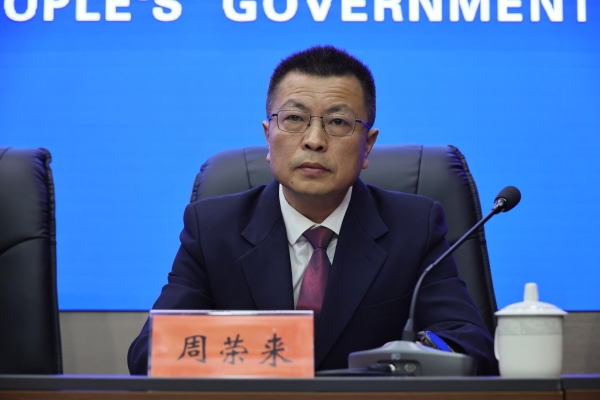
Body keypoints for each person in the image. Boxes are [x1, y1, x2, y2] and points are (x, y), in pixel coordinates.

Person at [128, 45, 498, 375]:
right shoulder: (212, 229)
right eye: (294, 119)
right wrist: (259, 353)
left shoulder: (414, 228)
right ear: (268, 137)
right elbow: (150, 353)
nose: (314, 140)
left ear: (367, 146)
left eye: (338, 122)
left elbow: (470, 344)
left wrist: (413, 355)